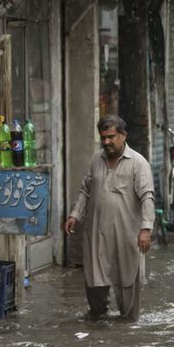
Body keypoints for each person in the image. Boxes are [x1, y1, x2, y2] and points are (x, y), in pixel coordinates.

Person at [65, 115, 155, 321]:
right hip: (96, 232)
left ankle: (127, 328)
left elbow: (147, 197)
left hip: (126, 234)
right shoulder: (96, 159)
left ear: (124, 135)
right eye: (103, 137)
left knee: (127, 279)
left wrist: (145, 229)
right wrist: (75, 214)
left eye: (111, 137)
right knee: (94, 279)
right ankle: (98, 321)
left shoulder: (138, 163)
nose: (106, 142)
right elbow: (86, 190)